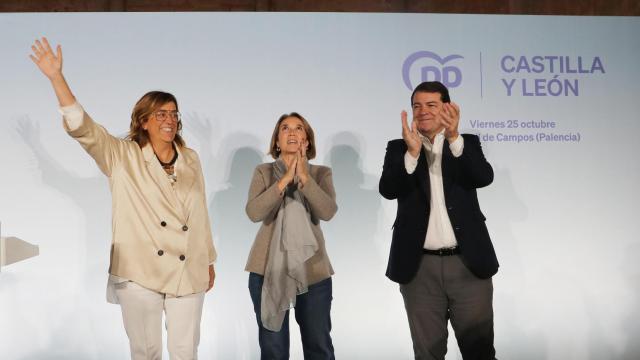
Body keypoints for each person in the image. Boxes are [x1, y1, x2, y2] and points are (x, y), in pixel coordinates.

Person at [29, 37, 216, 360]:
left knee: (186, 351)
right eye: (160, 114)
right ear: (143, 121)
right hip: (140, 270)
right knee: (146, 351)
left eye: (173, 113)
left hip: (190, 267)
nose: (169, 119)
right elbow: (84, 129)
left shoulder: (191, 158)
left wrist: (208, 259)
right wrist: (56, 77)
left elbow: (198, 214)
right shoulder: (122, 155)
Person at [379, 81, 498, 360]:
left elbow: (484, 177)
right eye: (416, 106)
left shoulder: (466, 143)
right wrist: (412, 153)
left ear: (447, 108)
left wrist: (455, 137)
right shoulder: (399, 148)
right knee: (427, 354)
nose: (422, 111)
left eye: (431, 105)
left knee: (479, 351)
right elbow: (388, 189)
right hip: (419, 268)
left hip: (468, 265)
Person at [245, 112, 338, 360]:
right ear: (277, 140)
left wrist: (305, 178)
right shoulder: (263, 172)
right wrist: (284, 180)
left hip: (313, 271)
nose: (292, 132)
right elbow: (254, 212)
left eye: (299, 128)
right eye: (285, 128)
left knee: (319, 346)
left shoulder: (320, 173)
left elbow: (327, 211)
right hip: (267, 271)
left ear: (307, 140)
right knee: (273, 348)